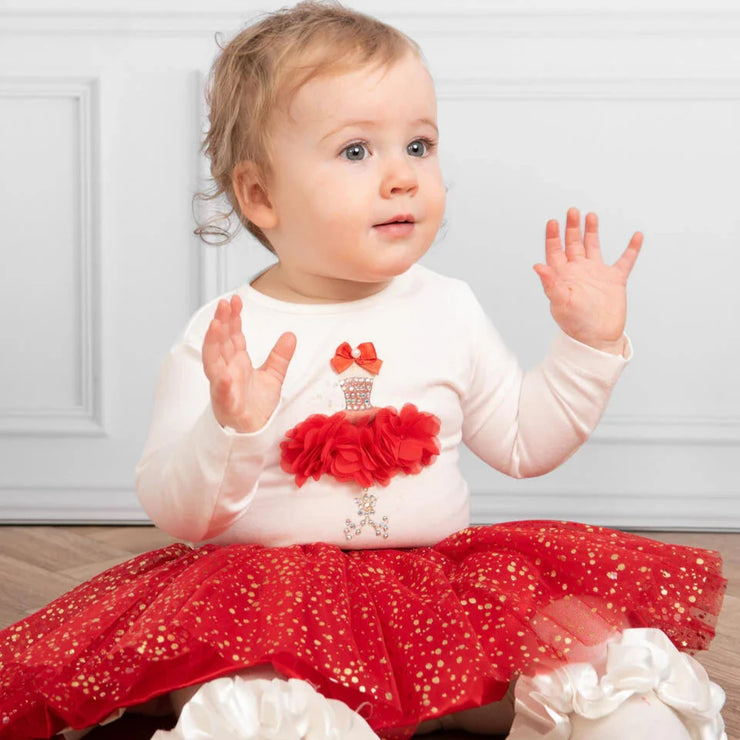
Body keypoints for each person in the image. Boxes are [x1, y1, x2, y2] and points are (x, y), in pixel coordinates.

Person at [0, 2, 727, 739]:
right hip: (269, 604)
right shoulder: (227, 335)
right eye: (356, 152)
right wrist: (231, 427)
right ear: (260, 195)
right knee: (259, 709)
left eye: (419, 145)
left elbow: (521, 443)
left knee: (605, 682)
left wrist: (586, 346)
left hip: (433, 594)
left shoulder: (451, 307)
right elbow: (178, 509)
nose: (402, 177)